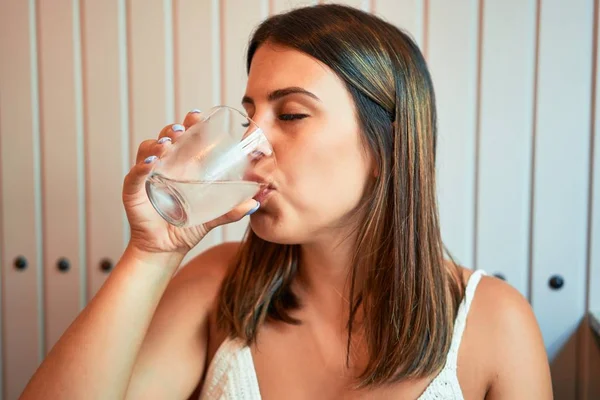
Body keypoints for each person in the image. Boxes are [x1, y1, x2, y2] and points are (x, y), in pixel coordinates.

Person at [21, 4, 552, 399]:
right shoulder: (218, 287)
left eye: (292, 115)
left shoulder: (493, 324)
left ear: (384, 147)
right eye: (249, 118)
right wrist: (151, 251)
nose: (252, 146)